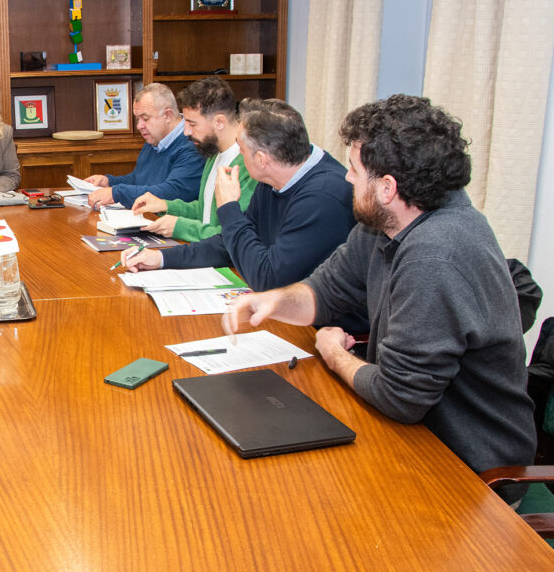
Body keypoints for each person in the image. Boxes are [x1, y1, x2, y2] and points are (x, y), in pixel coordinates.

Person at [224, 95, 535, 503]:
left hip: (469, 471)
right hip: (413, 435)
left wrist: (333, 352)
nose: (347, 179)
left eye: (354, 169)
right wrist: (276, 301)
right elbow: (326, 290)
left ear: (387, 187)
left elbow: (399, 397)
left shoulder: (436, 254)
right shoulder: (384, 225)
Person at [123, 98, 357, 296]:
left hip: (325, 330)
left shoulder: (322, 197)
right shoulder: (274, 177)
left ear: (262, 159)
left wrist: (229, 207)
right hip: (281, 305)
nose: (239, 158)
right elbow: (228, 244)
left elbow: (267, 278)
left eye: (242, 151)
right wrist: (161, 258)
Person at [130, 77, 256, 241]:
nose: (186, 132)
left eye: (192, 124)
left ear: (219, 122)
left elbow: (233, 236)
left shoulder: (248, 165)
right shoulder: (212, 153)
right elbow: (204, 211)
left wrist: (178, 227)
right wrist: (165, 205)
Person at [85, 83, 203, 209]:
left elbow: (173, 192)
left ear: (167, 115)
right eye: (137, 119)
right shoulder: (155, 138)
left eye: (145, 118)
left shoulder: (193, 144)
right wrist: (109, 182)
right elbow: (138, 179)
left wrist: (117, 193)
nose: (139, 126)